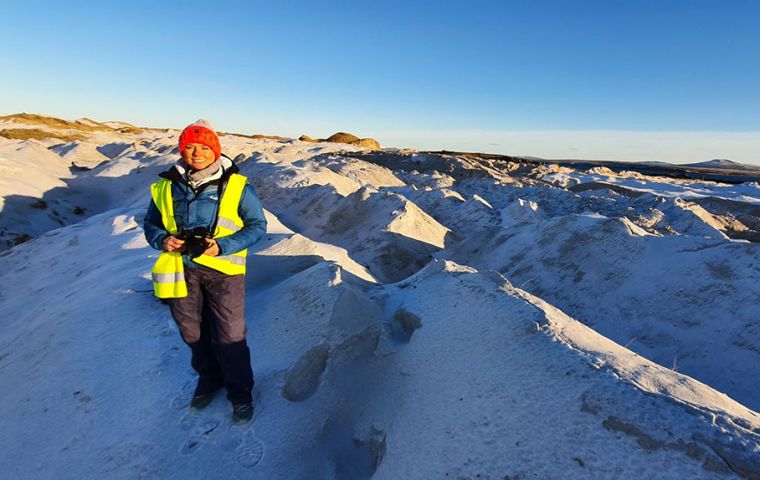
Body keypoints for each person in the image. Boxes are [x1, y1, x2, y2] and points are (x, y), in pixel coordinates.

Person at [143, 119, 267, 423]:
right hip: (179, 269)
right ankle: (209, 379)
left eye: (203, 147)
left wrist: (221, 247)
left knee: (230, 335)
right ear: (181, 149)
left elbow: (258, 227)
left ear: (215, 150)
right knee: (192, 333)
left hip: (224, 272)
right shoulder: (164, 186)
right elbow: (150, 223)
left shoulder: (238, 186)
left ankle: (240, 392)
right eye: (189, 146)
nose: (196, 153)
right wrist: (162, 239)